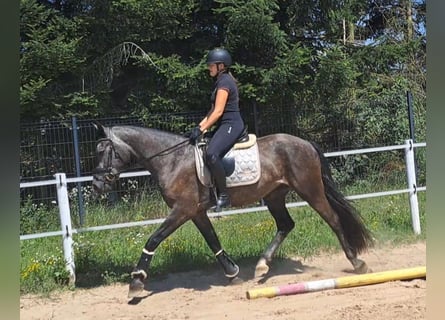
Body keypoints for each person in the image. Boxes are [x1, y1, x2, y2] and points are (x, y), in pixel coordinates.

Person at [188, 48, 245, 212]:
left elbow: (219, 111)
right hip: (224, 125)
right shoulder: (220, 82)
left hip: (232, 125)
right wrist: (198, 128)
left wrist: (202, 129)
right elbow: (212, 113)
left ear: (221, 66)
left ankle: (224, 196)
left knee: (212, 154)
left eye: (211, 65)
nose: (209, 68)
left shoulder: (225, 82)